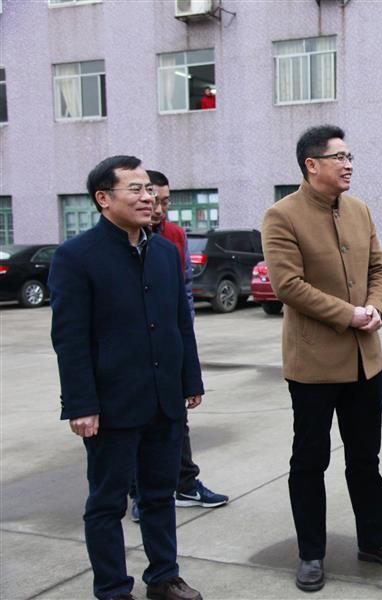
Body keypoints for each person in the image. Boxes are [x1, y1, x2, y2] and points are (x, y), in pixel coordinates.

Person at [261, 125, 382, 593]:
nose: (349, 165)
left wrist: (376, 307)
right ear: (312, 165)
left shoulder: (359, 210)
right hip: (314, 367)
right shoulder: (282, 216)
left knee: (365, 457)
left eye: (350, 157)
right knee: (310, 461)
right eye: (340, 157)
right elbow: (288, 286)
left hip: (366, 362)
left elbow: (380, 268)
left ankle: (375, 540)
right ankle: (311, 553)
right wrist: (349, 314)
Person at [49, 155, 204, 600]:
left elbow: (180, 322)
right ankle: (113, 589)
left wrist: (190, 380)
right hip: (111, 404)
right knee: (107, 502)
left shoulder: (164, 251)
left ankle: (164, 578)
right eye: (134, 189)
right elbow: (70, 339)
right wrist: (81, 404)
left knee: (159, 495)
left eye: (149, 188)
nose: (147, 197)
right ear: (103, 198)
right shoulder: (76, 257)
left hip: (163, 399)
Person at [127, 171, 227, 524]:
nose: (158, 208)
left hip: (169, 344)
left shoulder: (172, 237)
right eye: (154, 199)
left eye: (165, 201)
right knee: (137, 424)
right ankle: (139, 493)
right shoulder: (119, 242)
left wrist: (183, 345)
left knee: (176, 420)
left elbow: (183, 293)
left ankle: (185, 484)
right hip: (135, 354)